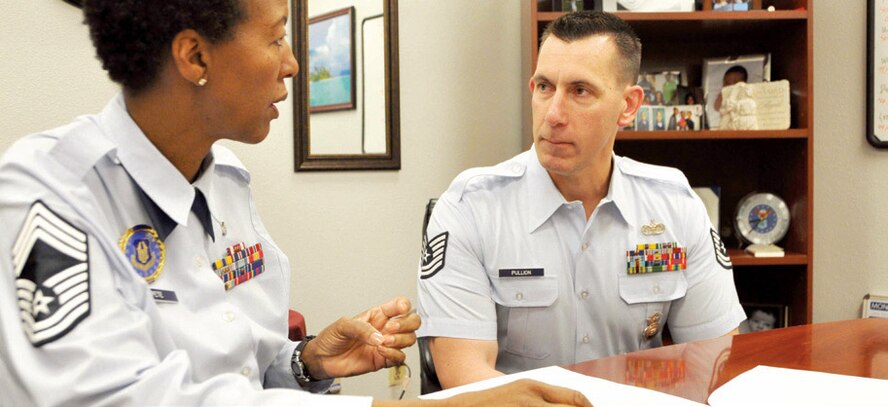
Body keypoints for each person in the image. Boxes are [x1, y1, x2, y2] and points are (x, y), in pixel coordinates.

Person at [0, 1, 592, 406]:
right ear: (195, 57)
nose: (292, 63)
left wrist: (307, 361)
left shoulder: (226, 182)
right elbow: (118, 398)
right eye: (278, 37)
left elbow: (242, 370)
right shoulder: (50, 195)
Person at [416, 11, 744, 389]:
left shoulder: (674, 205)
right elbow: (466, 380)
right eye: (544, 87)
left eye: (580, 91)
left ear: (629, 105)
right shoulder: (471, 207)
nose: (553, 115)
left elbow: (716, 361)